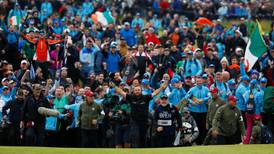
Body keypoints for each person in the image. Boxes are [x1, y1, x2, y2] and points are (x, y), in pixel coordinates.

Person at [112, 81, 168, 148]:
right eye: (136, 90)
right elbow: (121, 92)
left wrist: (161, 88)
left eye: (138, 90)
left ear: (141, 90)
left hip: (144, 121)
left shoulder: (146, 97)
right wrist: (114, 86)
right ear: (133, 91)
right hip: (134, 121)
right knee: (135, 137)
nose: (137, 91)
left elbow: (155, 93)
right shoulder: (131, 97)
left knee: (143, 138)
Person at [186, 76, 211, 145]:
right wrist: (192, 102)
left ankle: (202, 142)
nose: (199, 83)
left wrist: (203, 99)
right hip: (194, 111)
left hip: (203, 111)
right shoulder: (192, 89)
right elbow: (186, 97)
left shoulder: (206, 89)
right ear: (196, 82)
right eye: (197, 81)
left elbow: (209, 96)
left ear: (202, 81)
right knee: (195, 127)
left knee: (203, 127)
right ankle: (194, 141)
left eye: (200, 81)